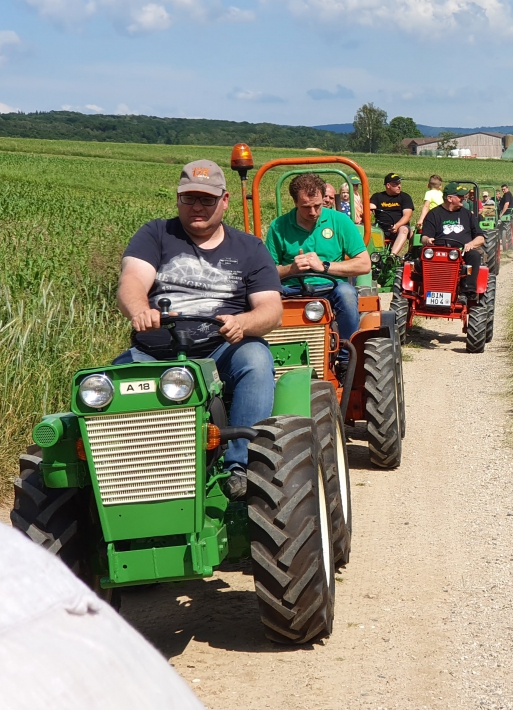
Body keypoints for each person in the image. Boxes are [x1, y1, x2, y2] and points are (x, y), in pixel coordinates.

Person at [116, 160, 283, 499]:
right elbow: (131, 281)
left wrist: (243, 322)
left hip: (220, 349)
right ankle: (128, 478)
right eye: (188, 198)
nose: (197, 207)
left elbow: (271, 310)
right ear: (177, 199)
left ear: (224, 201)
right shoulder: (155, 234)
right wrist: (141, 310)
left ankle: (240, 465)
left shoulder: (250, 248)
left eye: (206, 200)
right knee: (112, 382)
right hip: (156, 352)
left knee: (255, 358)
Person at [265, 172, 370, 346]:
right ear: (295, 202)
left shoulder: (340, 221)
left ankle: (346, 355)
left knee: (347, 294)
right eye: (306, 207)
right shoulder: (279, 226)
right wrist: (290, 269)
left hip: (331, 287)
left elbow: (364, 264)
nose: (313, 212)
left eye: (317, 206)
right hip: (290, 288)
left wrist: (324, 266)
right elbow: (266, 274)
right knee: (261, 299)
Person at [421, 184, 486, 291]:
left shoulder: (467, 214)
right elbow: (424, 237)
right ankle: (424, 289)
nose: (464, 198)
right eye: (460, 196)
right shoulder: (434, 214)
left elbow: (481, 238)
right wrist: (428, 240)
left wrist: (471, 244)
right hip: (439, 250)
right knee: (419, 257)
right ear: (449, 198)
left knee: (474, 255)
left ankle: (468, 291)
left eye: (463, 196)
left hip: (463, 251)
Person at [368, 172, 414, 258]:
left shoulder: (405, 197)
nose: (399, 186)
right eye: (396, 184)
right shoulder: (377, 196)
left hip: (399, 228)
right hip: (380, 228)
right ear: (388, 185)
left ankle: (392, 256)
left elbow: (407, 216)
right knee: (366, 229)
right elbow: (369, 210)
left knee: (404, 229)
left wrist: (397, 226)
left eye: (399, 183)